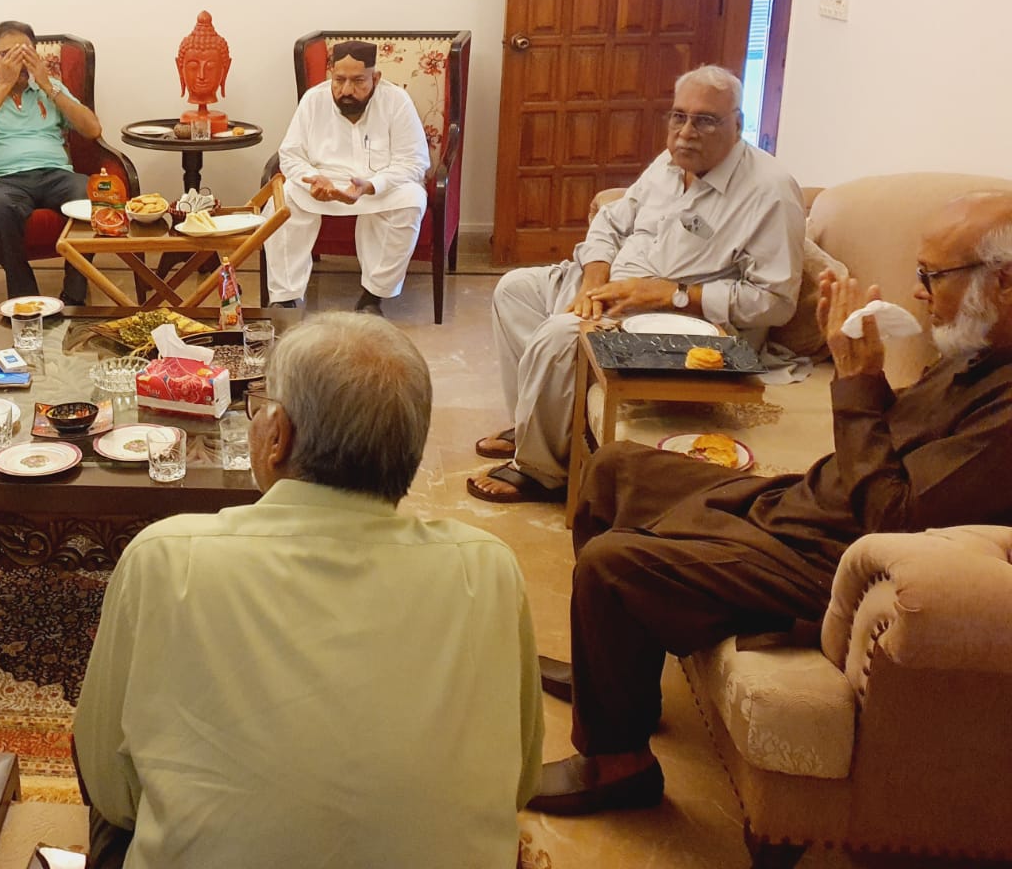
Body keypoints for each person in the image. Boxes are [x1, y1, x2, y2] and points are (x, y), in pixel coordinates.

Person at [528, 191, 1012, 816]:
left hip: (836, 560)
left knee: (612, 564)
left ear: (1002, 282)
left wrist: (858, 381)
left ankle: (618, 765)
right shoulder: (978, 349)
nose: (918, 292)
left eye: (931, 275)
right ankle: (613, 680)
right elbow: (906, 444)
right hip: (813, 503)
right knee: (615, 469)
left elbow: (891, 521)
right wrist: (863, 369)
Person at [73, 313, 542, 869]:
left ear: (277, 436)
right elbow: (520, 782)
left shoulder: (167, 556)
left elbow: (110, 788)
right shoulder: (487, 568)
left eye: (259, 408)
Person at [470, 64, 805, 503]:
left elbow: (775, 301)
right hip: (614, 292)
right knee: (515, 291)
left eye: (706, 120)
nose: (686, 133)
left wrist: (671, 294)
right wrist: (593, 278)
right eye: (678, 117)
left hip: (684, 323)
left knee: (558, 335)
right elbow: (611, 221)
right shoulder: (669, 164)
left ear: (738, 125)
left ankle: (544, 471)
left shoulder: (770, 191)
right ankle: (536, 424)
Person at [263, 40, 430, 315]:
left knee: (411, 200)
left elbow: (413, 161)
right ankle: (285, 298)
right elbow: (290, 155)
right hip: (322, 187)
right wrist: (313, 178)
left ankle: (372, 297)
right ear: (331, 74)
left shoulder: (396, 101)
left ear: (376, 77)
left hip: (377, 187)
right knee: (282, 202)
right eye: (339, 80)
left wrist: (372, 186)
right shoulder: (314, 100)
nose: (347, 90)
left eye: (358, 81)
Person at [0, 19, 104, 307]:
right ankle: (27, 300)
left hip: (56, 174)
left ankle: (75, 294)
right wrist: (4, 85)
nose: (19, 62)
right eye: (9, 55)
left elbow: (93, 129)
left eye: (26, 54)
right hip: (5, 180)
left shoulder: (51, 87)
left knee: (92, 195)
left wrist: (47, 85)